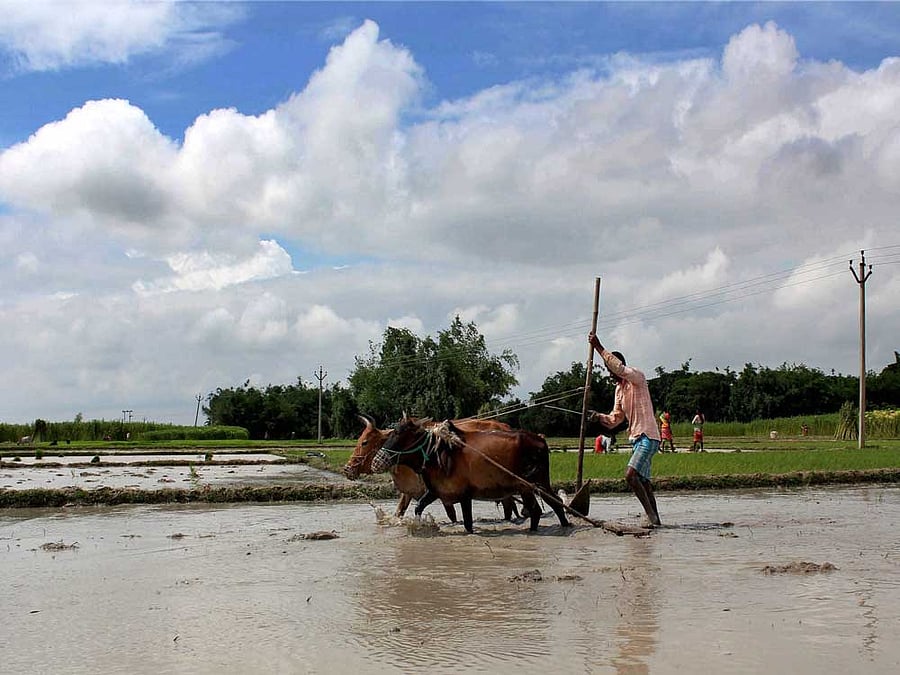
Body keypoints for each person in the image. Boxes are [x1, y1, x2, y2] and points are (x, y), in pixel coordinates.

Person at [587, 332, 662, 526]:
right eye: (608, 370)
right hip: (637, 439)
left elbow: (619, 368)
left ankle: (650, 516)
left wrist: (598, 347)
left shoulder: (636, 376)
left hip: (648, 435)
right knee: (644, 481)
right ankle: (656, 520)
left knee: (630, 475)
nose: (610, 373)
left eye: (611, 369)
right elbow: (614, 419)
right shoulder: (619, 390)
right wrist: (598, 417)